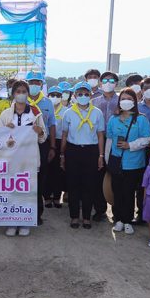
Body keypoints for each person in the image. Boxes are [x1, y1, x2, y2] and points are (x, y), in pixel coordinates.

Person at [0, 80, 47, 237]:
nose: (21, 94)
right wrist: (5, 131)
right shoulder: (6, 114)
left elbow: (43, 138)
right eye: (18, 91)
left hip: (29, 158)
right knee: (11, 190)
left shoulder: (35, 113)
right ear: (13, 94)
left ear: (28, 94)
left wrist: (39, 131)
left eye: (24, 91)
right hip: (11, 159)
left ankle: (25, 221)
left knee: (27, 191)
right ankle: (12, 222)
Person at [106, 88, 150, 235]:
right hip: (116, 161)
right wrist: (106, 160)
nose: (126, 101)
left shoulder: (141, 119)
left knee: (129, 192)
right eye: (123, 99)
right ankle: (118, 219)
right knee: (117, 191)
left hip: (133, 163)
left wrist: (130, 145)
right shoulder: (113, 119)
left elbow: (147, 138)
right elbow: (109, 139)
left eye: (129, 99)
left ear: (135, 101)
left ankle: (127, 220)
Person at [60, 82, 105, 229]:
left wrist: (101, 155)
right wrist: (62, 155)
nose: (83, 96)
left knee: (89, 184)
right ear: (74, 95)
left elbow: (100, 135)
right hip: (73, 150)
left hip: (91, 151)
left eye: (86, 94)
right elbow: (65, 134)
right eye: (80, 94)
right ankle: (74, 216)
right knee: (73, 184)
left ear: (91, 95)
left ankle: (86, 217)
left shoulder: (97, 112)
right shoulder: (68, 113)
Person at [27, 71, 58, 225]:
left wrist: (52, 147)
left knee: (40, 178)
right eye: (31, 82)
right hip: (24, 145)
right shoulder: (19, 101)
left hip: (42, 144)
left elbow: (52, 125)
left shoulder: (47, 103)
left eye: (37, 82)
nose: (34, 85)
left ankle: (37, 213)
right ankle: (22, 211)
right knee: (24, 177)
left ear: (41, 84)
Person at [91, 71, 119, 222]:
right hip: (98, 142)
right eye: (105, 80)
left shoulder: (121, 100)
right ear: (101, 83)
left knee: (115, 176)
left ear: (116, 83)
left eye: (112, 80)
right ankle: (100, 209)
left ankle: (117, 210)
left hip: (116, 143)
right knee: (98, 176)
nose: (108, 83)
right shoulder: (94, 101)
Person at [44, 86, 65, 208]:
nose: (55, 97)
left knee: (58, 171)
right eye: (52, 95)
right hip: (47, 140)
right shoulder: (45, 109)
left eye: (58, 95)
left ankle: (57, 197)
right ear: (48, 96)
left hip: (60, 142)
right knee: (47, 170)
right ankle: (47, 197)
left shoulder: (66, 110)